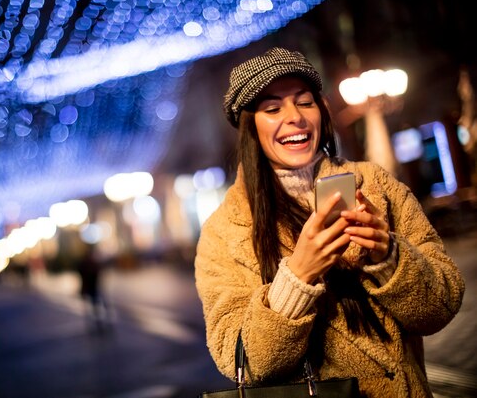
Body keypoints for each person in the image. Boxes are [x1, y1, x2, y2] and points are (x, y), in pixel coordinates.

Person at [194, 47, 465, 397]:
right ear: (249, 127)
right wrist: (296, 279)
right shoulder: (224, 231)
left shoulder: (375, 184)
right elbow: (243, 361)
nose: (295, 117)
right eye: (273, 108)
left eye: (305, 102)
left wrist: (389, 258)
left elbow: (441, 307)